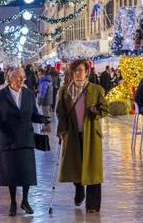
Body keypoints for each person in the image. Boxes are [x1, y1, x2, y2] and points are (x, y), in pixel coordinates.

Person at [0, 68, 50, 216]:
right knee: (11, 174)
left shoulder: (28, 94)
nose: (21, 81)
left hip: (26, 138)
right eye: (18, 78)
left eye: (23, 78)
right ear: (10, 79)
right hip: (8, 139)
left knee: (27, 172)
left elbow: (33, 114)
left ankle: (25, 200)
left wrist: (42, 119)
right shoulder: (0, 96)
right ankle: (13, 202)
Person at [56, 59, 108, 213]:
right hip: (72, 134)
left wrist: (95, 112)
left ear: (87, 72)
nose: (78, 74)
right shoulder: (64, 91)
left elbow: (104, 109)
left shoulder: (96, 90)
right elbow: (60, 113)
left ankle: (92, 206)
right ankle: (79, 188)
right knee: (74, 165)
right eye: (75, 71)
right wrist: (62, 131)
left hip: (91, 134)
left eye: (81, 70)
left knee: (93, 169)